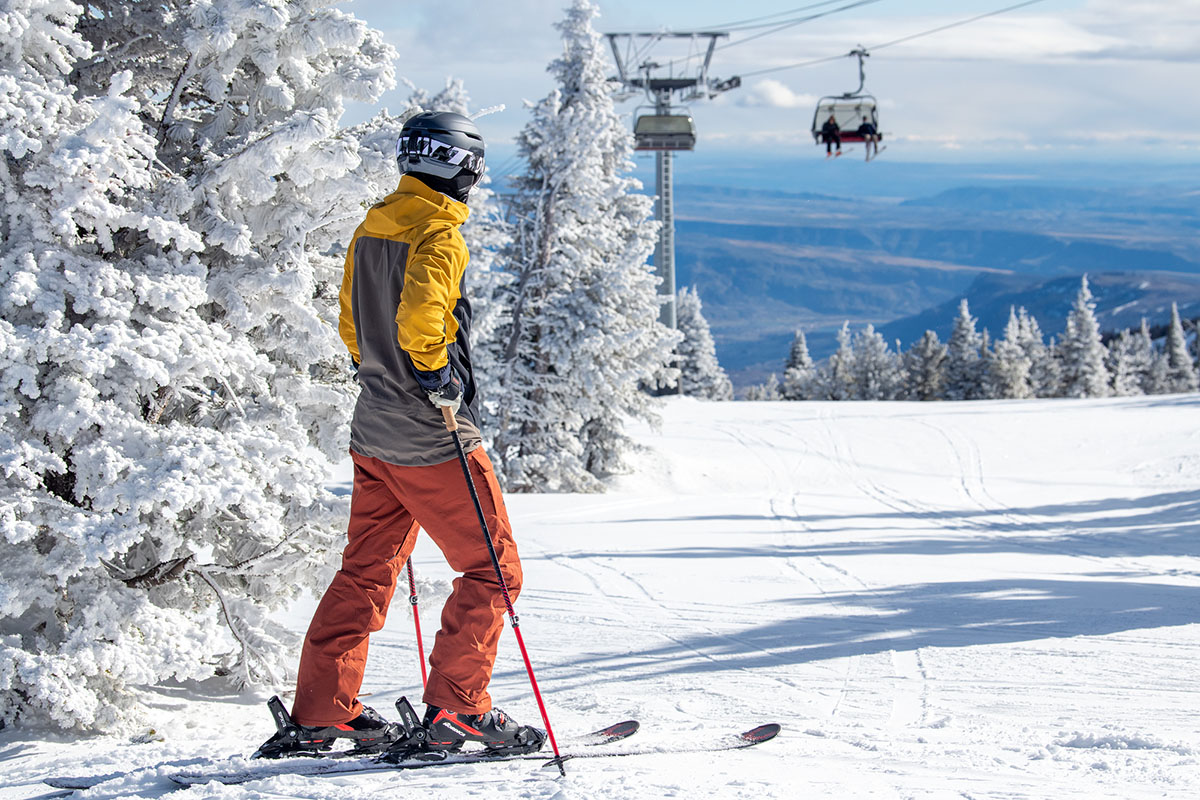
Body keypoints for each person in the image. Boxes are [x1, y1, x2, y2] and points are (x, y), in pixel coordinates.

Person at [255, 111, 542, 759]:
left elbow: (352, 322)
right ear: (460, 165)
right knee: (493, 570)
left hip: (373, 427)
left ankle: (324, 709)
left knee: (366, 570)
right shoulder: (440, 234)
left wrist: (377, 373)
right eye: (475, 165)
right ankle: (460, 708)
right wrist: (437, 377)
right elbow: (420, 321)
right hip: (430, 433)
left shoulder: (373, 225)